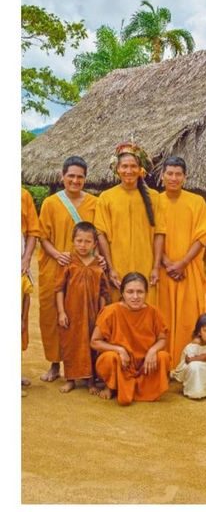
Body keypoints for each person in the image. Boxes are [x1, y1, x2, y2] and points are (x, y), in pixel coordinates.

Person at [37, 156, 98, 383]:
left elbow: (98, 236)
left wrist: (97, 259)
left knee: (82, 315)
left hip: (85, 268)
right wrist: (57, 254)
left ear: (85, 178)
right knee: (53, 314)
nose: (75, 180)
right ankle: (55, 364)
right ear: (62, 177)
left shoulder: (95, 202)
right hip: (56, 265)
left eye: (79, 176)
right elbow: (43, 236)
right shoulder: (51, 203)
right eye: (70, 176)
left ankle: (84, 367)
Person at [95, 143, 166, 303]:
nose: (129, 171)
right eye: (124, 166)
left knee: (146, 307)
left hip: (146, 264)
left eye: (133, 166)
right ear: (117, 169)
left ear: (141, 169)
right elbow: (101, 235)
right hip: (118, 264)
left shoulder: (154, 197)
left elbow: (159, 233)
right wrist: (111, 268)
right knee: (118, 307)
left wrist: (155, 267)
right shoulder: (106, 198)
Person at [156, 157, 206, 363]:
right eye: (169, 173)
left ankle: (187, 363)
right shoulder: (155, 201)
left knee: (189, 318)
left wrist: (182, 263)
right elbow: (150, 234)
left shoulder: (197, 202)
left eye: (178, 174)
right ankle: (164, 364)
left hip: (189, 270)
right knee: (163, 318)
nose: (173, 178)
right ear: (162, 176)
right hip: (162, 270)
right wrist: (166, 261)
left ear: (185, 177)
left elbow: (202, 235)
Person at [91, 272, 171, 405]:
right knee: (109, 358)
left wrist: (152, 351)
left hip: (145, 365)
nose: (135, 297)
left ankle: (143, 387)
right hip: (122, 364)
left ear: (146, 293)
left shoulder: (153, 312)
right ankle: (111, 385)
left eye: (140, 292)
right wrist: (119, 350)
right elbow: (94, 342)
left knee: (163, 357)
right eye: (130, 292)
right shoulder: (111, 311)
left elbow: (162, 338)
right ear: (122, 293)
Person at [55, 221, 111, 394]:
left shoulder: (98, 265)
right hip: (71, 313)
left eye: (87, 241)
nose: (83, 245)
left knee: (91, 345)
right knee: (70, 345)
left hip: (93, 314)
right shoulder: (68, 262)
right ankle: (70, 379)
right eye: (79, 240)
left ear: (95, 244)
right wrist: (61, 312)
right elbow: (59, 289)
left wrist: (102, 314)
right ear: (73, 241)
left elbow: (104, 292)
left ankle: (90, 381)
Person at [21, 188, 42, 392]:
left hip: (19, 264)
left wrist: (26, 259)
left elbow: (32, 233)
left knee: (20, 317)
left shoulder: (23, 195)